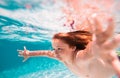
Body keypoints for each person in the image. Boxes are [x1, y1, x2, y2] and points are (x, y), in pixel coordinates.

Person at [18, 17, 120, 78]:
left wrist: (96, 45)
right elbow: (45, 52)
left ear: (73, 48)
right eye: (54, 49)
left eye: (60, 49)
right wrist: (29, 53)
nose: (55, 52)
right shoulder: (63, 57)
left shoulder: (79, 57)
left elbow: (90, 51)